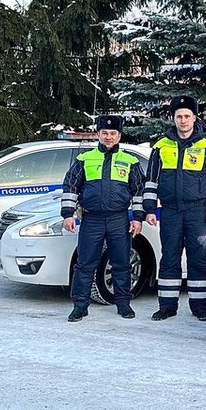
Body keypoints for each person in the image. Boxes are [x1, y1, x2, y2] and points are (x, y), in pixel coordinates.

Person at [142, 96, 206, 322]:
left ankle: (199, 308)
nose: (183, 120)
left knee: (198, 259)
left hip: (198, 211)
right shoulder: (161, 146)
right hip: (170, 211)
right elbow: (151, 181)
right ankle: (167, 307)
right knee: (169, 257)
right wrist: (150, 209)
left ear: (194, 117)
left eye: (187, 116)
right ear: (174, 118)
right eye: (179, 116)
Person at [61, 115, 146, 321]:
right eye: (105, 133)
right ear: (98, 134)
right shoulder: (84, 159)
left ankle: (123, 303)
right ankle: (80, 305)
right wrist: (68, 214)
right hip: (92, 219)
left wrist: (137, 218)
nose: (109, 137)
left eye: (113, 133)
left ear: (119, 136)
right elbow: (70, 186)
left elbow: (139, 191)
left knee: (121, 262)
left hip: (119, 219)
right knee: (85, 264)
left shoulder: (130, 161)